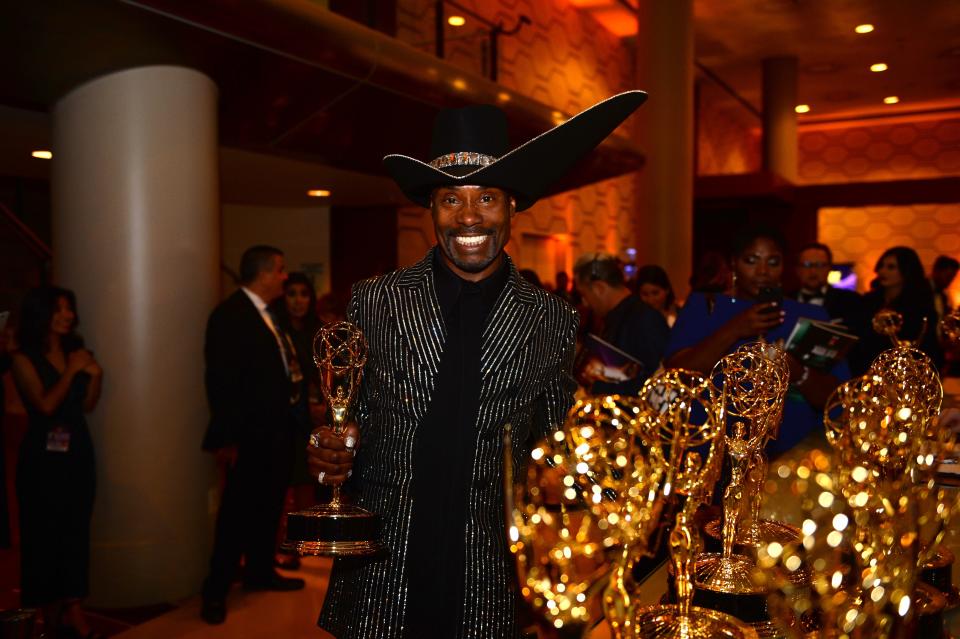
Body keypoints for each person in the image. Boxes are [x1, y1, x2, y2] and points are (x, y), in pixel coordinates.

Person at [309, 91, 648, 638]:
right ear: (432, 209)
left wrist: (595, 486)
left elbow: (557, 440)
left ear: (513, 206)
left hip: (489, 570)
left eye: (487, 197)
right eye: (451, 199)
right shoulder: (376, 300)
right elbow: (347, 417)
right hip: (383, 567)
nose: (469, 216)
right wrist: (328, 449)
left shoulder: (552, 319)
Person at [664, 227, 847, 456]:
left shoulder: (809, 314)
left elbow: (836, 397)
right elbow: (678, 373)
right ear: (734, 264)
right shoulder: (706, 306)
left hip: (788, 451)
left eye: (773, 262)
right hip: (712, 447)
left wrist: (797, 372)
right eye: (751, 261)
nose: (763, 271)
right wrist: (735, 329)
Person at [200, 245, 305, 625]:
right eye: (280, 271)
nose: (284, 277)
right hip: (249, 435)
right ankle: (215, 590)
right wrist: (230, 439)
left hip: (278, 430)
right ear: (263, 273)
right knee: (236, 514)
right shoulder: (230, 316)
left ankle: (260, 572)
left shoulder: (269, 314)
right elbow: (221, 382)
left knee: (268, 506)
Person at [10, 287, 103, 639]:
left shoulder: (75, 352)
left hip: (77, 452)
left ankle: (72, 606)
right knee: (44, 537)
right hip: (42, 462)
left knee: (75, 533)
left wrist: (95, 377)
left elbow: (88, 405)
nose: (68, 315)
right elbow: (45, 407)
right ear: (41, 314)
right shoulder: (23, 359)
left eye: (70, 309)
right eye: (59, 309)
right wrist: (72, 372)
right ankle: (49, 615)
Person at [270, 272, 322, 570]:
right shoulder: (278, 332)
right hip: (284, 419)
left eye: (304, 294)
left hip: (312, 419)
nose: (298, 301)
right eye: (292, 294)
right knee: (282, 484)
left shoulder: (317, 332)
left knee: (306, 481)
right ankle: (281, 544)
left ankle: (303, 542)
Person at [574, 254, 670, 395]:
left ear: (599, 287)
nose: (585, 302)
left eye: (584, 294)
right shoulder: (619, 316)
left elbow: (656, 383)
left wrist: (596, 387)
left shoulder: (643, 318)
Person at [849, 246, 942, 375]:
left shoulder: (919, 308)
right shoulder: (868, 301)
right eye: (881, 266)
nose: (882, 271)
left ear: (907, 271)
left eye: (891, 267)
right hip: (865, 371)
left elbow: (927, 348)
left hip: (902, 375)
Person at [792, 242, 861, 330]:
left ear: (830, 268)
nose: (813, 271)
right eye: (807, 265)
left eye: (820, 265)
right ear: (797, 269)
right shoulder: (784, 301)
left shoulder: (851, 301)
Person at [931, 255, 959, 321]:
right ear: (937, 271)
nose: (950, 281)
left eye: (952, 278)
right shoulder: (920, 290)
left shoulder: (942, 296)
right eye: (948, 276)